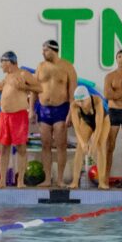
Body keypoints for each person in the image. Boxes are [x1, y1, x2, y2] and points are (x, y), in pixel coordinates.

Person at [35, 40, 78, 187]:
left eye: (45, 50)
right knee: (45, 145)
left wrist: (71, 113)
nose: (42, 53)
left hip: (61, 109)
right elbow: (34, 90)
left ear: (54, 50)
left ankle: (60, 179)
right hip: (43, 109)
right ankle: (48, 179)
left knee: (61, 145)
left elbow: (73, 95)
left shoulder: (68, 67)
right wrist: (32, 110)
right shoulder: (40, 67)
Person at [0, 51, 41, 189]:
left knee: (21, 148)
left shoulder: (23, 74)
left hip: (18, 116)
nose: (0, 66)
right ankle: (2, 180)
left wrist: (25, 87)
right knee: (4, 148)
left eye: (2, 63)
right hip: (4, 116)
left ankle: (20, 180)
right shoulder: (7, 77)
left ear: (9, 62)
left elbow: (39, 88)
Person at [69, 86, 109, 190]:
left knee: (100, 147)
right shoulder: (74, 105)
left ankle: (101, 182)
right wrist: (83, 143)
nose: (80, 104)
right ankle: (75, 181)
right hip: (87, 121)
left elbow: (98, 126)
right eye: (78, 101)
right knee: (79, 148)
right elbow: (76, 128)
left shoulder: (97, 100)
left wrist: (93, 145)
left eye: (82, 101)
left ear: (88, 98)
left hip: (103, 121)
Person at [103, 49, 122, 180]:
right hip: (113, 112)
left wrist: (116, 95)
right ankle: (105, 177)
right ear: (116, 59)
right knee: (109, 146)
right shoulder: (110, 76)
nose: (121, 59)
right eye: (119, 56)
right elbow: (107, 95)